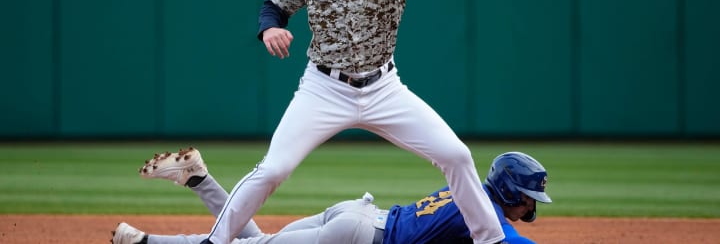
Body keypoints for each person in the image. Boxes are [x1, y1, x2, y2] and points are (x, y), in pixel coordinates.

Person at [196, 0, 503, 244]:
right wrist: (270, 28)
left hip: (382, 89)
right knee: (273, 169)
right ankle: (215, 241)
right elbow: (273, 5)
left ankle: (491, 240)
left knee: (456, 155)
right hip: (323, 88)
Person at [112, 148, 551, 244]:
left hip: (355, 216)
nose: (531, 208)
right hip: (355, 237)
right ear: (514, 191)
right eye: (530, 198)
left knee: (253, 242)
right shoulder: (487, 218)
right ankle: (142, 243)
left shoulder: (471, 194)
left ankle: (199, 179)